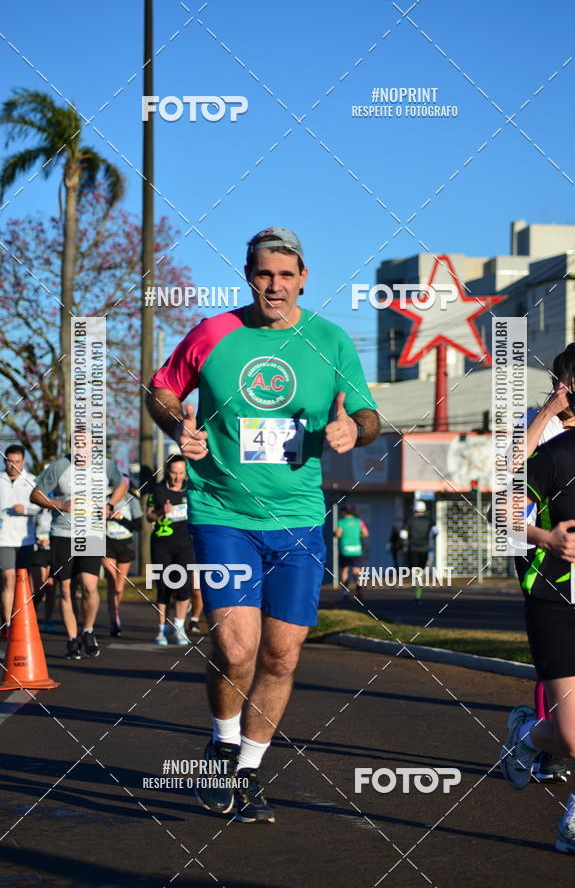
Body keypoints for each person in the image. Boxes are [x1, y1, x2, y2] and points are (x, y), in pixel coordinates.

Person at [146, 226, 379, 823]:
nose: (274, 286)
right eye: (263, 274)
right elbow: (161, 391)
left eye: (286, 274)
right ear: (249, 276)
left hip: (298, 519)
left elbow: (368, 413)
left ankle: (247, 768)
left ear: (304, 277)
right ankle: (222, 742)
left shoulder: (330, 340)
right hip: (223, 511)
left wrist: (355, 429)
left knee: (280, 656)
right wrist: (177, 427)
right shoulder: (214, 333)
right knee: (234, 645)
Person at [499, 350, 575, 858]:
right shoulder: (557, 446)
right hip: (559, 586)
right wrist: (544, 537)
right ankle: (529, 733)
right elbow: (504, 497)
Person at [520, 342, 575, 784]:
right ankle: (549, 743)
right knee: (559, 654)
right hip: (544, 548)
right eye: (569, 381)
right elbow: (511, 467)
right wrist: (548, 410)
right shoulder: (542, 425)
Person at [30, 436, 127, 659]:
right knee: (65, 589)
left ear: (93, 445)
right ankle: (72, 639)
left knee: (89, 586)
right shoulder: (60, 466)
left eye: (85, 444)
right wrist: (60, 504)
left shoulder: (105, 465)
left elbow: (122, 483)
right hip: (63, 534)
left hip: (91, 533)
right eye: (76, 444)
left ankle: (88, 630)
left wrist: (110, 504)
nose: (80, 448)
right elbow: (35, 494)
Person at [146, 456, 195, 647]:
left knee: (183, 587)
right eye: (174, 473)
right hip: (162, 544)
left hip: (185, 544)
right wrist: (160, 513)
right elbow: (149, 516)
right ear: (168, 471)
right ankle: (161, 630)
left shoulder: (191, 489)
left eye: (181, 473)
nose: (177, 477)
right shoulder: (158, 489)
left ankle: (179, 627)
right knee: (163, 586)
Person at [0, 444, 39, 632]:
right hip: (3, 539)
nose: (13, 466)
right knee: (8, 578)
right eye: (10, 462)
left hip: (25, 539)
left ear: (23, 462)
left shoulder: (32, 480)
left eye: (17, 462)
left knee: (23, 580)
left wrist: (25, 509)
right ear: (5, 461)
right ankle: (8, 623)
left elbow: (42, 506)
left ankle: (22, 618)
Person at [103, 484, 143, 637]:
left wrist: (121, 519)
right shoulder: (106, 501)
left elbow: (138, 526)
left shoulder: (132, 501)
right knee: (111, 582)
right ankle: (114, 620)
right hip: (107, 543)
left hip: (126, 544)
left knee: (119, 587)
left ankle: (114, 609)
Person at [401, 500, 434, 602]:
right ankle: (418, 592)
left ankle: (417, 589)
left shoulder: (410, 520)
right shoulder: (429, 520)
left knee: (415, 570)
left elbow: (403, 534)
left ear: (414, 509)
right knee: (422, 570)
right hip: (425, 549)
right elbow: (435, 531)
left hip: (413, 549)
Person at [335, 505, 369, 602]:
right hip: (357, 549)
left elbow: (338, 534)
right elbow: (366, 533)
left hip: (345, 549)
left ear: (345, 512)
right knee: (357, 571)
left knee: (345, 571)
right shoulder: (359, 521)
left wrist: (335, 533)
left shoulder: (341, 522)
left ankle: (345, 593)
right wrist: (357, 534)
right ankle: (359, 590)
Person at [31, 506, 57, 632]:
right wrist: (38, 540)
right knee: (39, 589)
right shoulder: (38, 511)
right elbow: (29, 528)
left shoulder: (60, 511)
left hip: (54, 551)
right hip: (39, 551)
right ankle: (31, 614)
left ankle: (48, 620)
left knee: (51, 588)